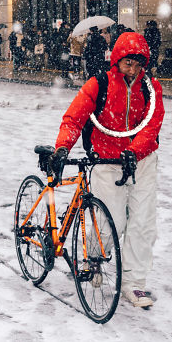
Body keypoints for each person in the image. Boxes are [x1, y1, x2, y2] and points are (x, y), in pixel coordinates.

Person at [52, 31, 165, 309]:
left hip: (141, 161)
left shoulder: (151, 88)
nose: (133, 70)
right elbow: (74, 117)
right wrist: (63, 147)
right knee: (109, 221)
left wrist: (134, 151)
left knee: (142, 223)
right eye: (128, 64)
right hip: (107, 160)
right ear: (117, 60)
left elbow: (152, 125)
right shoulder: (99, 83)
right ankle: (93, 259)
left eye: (138, 65)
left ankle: (134, 283)